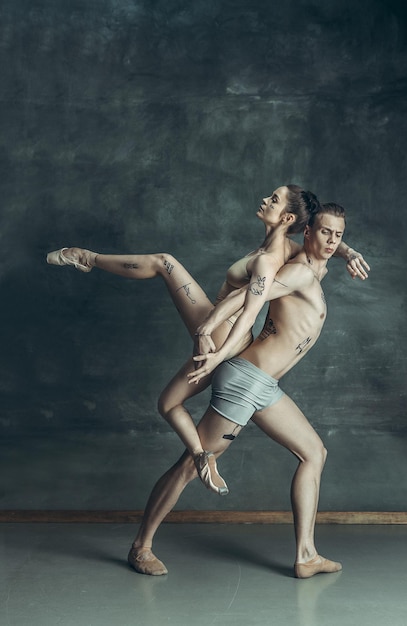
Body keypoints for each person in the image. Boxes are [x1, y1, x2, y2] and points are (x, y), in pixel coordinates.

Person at [46, 185, 369, 495]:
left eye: (273, 199)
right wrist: (348, 251)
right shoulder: (291, 248)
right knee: (168, 403)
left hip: (223, 329)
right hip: (230, 336)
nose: (264, 200)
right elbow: (324, 237)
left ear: (287, 218)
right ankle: (202, 454)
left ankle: (86, 257)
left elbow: (247, 308)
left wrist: (211, 344)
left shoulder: (271, 260)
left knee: (166, 262)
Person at [126, 202, 358, 579]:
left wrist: (349, 250)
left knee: (314, 452)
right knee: (190, 465)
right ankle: (141, 547)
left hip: (265, 386)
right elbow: (253, 293)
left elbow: (332, 244)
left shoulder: (317, 265)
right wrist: (208, 327)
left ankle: (306, 555)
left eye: (339, 234)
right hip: (245, 382)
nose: (332, 240)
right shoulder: (299, 272)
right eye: (325, 232)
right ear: (307, 233)